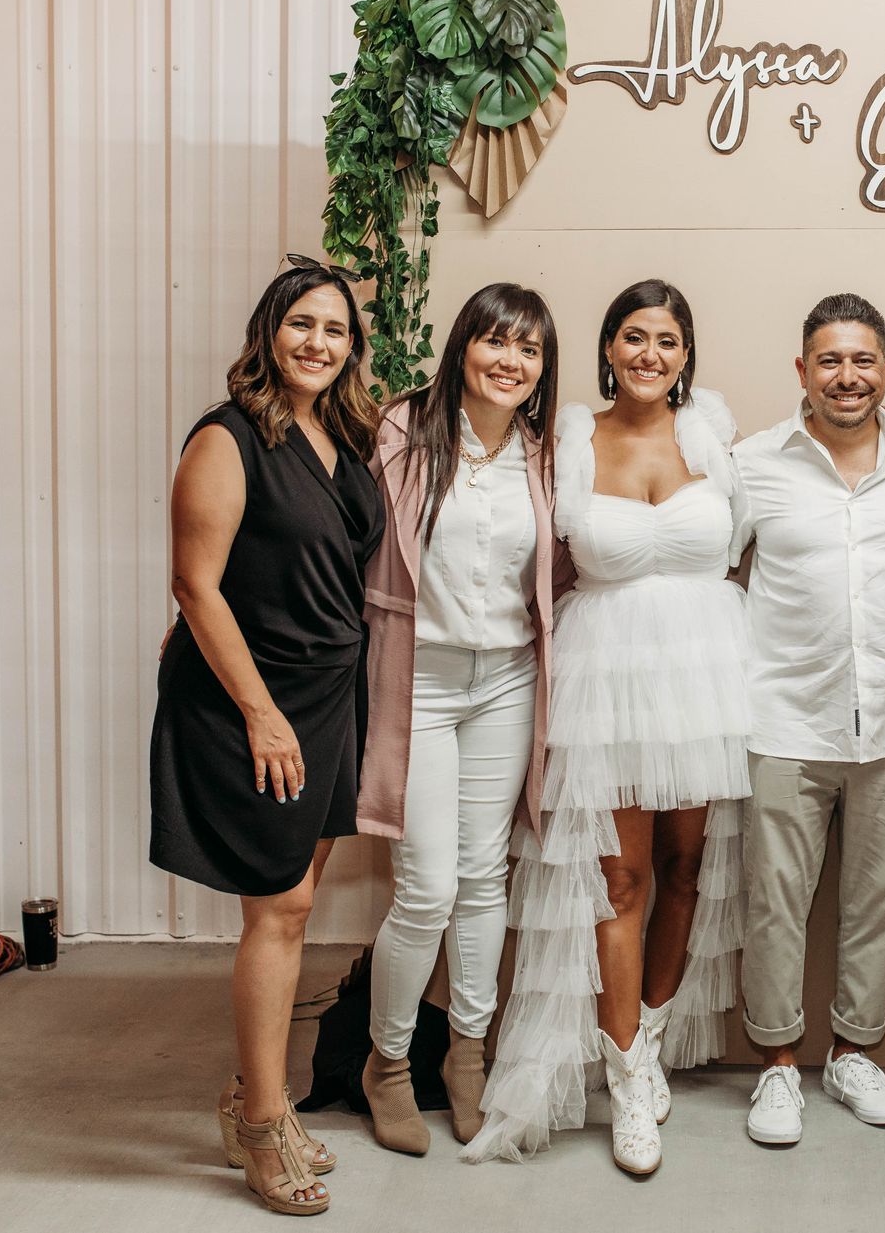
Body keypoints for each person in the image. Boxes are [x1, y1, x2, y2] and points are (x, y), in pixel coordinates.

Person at [465, 279, 749, 1175]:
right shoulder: (568, 442)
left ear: (686, 354)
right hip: (608, 680)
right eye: (633, 336)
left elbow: (746, 539)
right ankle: (625, 1078)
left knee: (687, 867)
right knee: (619, 880)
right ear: (607, 349)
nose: (649, 354)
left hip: (704, 677)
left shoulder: (713, 435)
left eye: (667, 339)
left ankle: (651, 1038)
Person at [150, 256, 382, 1215]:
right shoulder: (227, 436)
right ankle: (259, 1124)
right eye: (301, 324)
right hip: (258, 699)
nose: (317, 343)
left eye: (335, 329)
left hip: (330, 692)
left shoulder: (345, 433)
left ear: (352, 347)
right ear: (268, 332)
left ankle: (261, 1096)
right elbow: (195, 585)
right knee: (279, 910)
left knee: (298, 902)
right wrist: (259, 712)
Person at [732, 293, 885, 1145]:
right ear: (802, 370)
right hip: (784, 720)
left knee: (880, 899)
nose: (847, 376)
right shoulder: (753, 463)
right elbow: (707, 567)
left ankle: (853, 1053)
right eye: (829, 360)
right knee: (774, 902)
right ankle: (776, 1063)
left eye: (863, 359)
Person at [354, 283, 562, 1155]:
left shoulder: (545, 455)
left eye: (529, 348)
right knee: (427, 887)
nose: (511, 361)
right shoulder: (399, 434)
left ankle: (467, 1057)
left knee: (484, 878)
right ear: (463, 346)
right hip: (419, 683)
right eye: (495, 340)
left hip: (506, 681)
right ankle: (389, 1064)